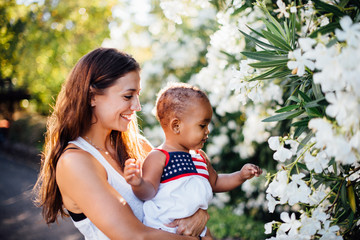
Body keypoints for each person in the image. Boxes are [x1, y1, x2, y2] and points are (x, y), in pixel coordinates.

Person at [33, 48, 212, 240]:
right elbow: (135, 236)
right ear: (92, 96)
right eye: (128, 96)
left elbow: (184, 191)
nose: (137, 106)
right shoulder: (75, 162)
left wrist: (201, 214)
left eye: (138, 96)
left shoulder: (139, 147)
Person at [124, 82, 263, 237]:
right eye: (202, 125)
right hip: (164, 228)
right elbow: (148, 192)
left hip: (197, 229)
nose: (207, 131)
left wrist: (240, 175)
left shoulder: (200, 157)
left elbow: (216, 182)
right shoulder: (160, 156)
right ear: (176, 126)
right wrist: (138, 183)